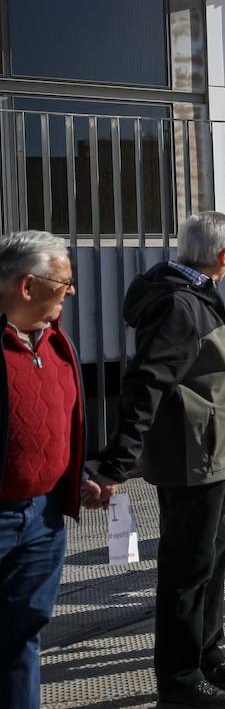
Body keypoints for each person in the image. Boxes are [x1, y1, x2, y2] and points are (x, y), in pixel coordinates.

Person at [87, 212, 225, 708]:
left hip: (214, 451)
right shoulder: (181, 305)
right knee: (187, 570)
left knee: (213, 557)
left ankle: (209, 654)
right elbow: (147, 383)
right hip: (193, 457)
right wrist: (117, 462)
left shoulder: (191, 292)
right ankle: (180, 683)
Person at [1, 231, 86, 709]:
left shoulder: (57, 343)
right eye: (63, 282)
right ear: (27, 287)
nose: (71, 291)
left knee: (23, 638)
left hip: (44, 520)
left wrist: (78, 475)